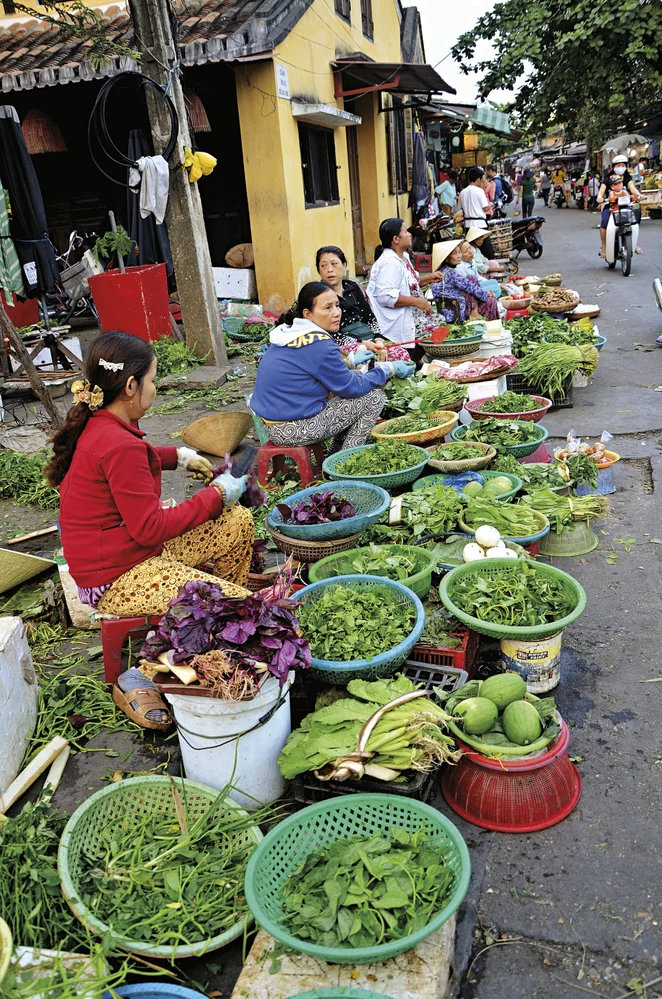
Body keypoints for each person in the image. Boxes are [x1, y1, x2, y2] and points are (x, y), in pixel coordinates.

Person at [48, 330, 254, 729]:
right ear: (130, 386)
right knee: (236, 607)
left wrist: (175, 456)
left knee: (237, 521)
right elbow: (150, 529)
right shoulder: (116, 442)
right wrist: (213, 495)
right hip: (118, 576)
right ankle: (139, 674)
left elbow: (132, 462)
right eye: (153, 379)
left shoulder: (101, 424)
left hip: (129, 553)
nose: (155, 387)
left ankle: (220, 631)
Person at [250, 281, 414, 452]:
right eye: (328, 308)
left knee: (357, 377)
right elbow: (351, 388)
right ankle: (345, 459)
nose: (336, 313)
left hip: (272, 424)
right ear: (308, 314)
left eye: (337, 305)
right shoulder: (319, 344)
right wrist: (388, 369)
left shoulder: (290, 334)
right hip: (294, 429)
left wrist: (349, 362)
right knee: (374, 397)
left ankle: (335, 452)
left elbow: (312, 369)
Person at [315, 244, 412, 364]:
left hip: (368, 337)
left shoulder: (352, 287)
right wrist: (361, 343)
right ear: (319, 271)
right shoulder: (319, 295)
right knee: (367, 358)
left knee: (401, 355)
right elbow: (329, 334)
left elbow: (369, 318)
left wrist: (378, 339)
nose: (329, 270)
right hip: (344, 344)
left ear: (344, 266)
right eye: (323, 266)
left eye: (334, 264)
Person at [367, 218, 443, 357]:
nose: (410, 234)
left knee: (440, 324)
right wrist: (417, 302)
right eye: (406, 231)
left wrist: (428, 278)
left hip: (412, 315)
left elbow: (409, 284)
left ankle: (419, 360)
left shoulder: (404, 258)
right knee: (436, 330)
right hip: (397, 320)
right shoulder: (390, 263)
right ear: (396, 239)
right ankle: (417, 360)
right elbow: (385, 296)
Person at [431, 240, 499, 323]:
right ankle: (487, 324)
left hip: (452, 308)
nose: (459, 256)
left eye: (459, 252)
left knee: (473, 282)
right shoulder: (451, 273)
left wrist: (484, 293)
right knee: (490, 300)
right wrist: (486, 294)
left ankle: (477, 313)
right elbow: (470, 287)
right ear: (447, 259)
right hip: (456, 312)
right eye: (455, 253)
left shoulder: (443, 271)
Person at [596, 154, 641, 258]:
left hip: (625, 206)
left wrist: (640, 195)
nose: (621, 167)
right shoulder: (608, 179)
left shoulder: (627, 177)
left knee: (635, 221)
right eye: (618, 165)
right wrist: (599, 198)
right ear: (613, 167)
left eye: (623, 165)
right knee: (604, 223)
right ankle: (604, 247)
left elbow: (633, 189)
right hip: (611, 206)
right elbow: (601, 192)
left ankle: (633, 244)